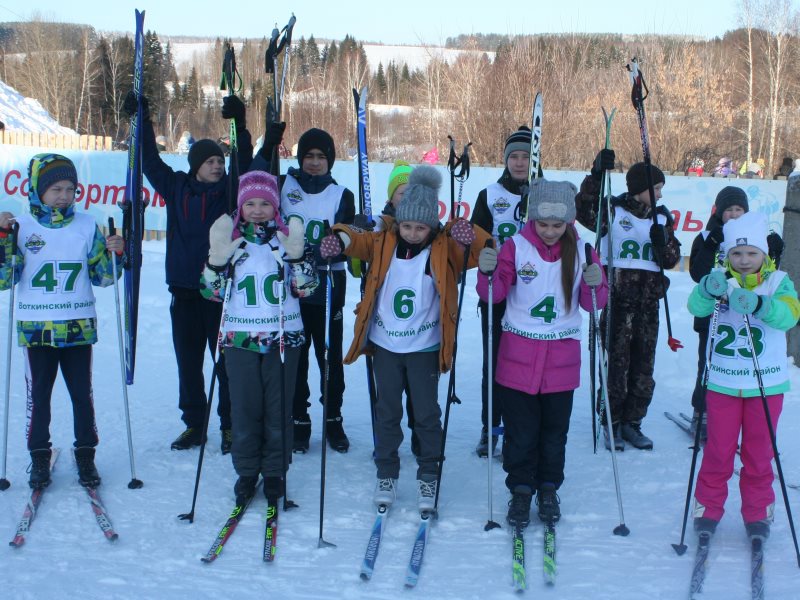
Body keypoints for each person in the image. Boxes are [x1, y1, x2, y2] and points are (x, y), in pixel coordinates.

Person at [318, 165, 489, 512]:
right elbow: (355, 238)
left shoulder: (444, 248)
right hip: (385, 346)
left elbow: (481, 250)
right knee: (388, 412)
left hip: (424, 348)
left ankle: (428, 476)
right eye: (407, 225)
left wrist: (466, 230)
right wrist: (340, 239)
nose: (413, 233)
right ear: (398, 221)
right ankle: (387, 473)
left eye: (420, 226)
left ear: (432, 226)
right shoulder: (383, 242)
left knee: (426, 414)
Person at [124, 90, 254, 453]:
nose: (217, 165)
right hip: (183, 290)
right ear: (196, 164)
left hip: (220, 293)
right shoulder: (176, 186)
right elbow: (148, 160)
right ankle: (194, 424)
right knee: (188, 362)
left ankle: (230, 426)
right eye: (210, 160)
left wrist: (239, 127)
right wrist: (143, 118)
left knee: (225, 364)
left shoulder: (230, 192)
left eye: (219, 160)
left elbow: (244, 161)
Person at [476, 179, 608, 526]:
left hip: (561, 362)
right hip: (517, 358)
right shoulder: (515, 247)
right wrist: (487, 271)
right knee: (520, 433)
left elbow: (591, 305)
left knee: (554, 433)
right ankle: (520, 490)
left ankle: (548, 487)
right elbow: (495, 294)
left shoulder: (583, 251)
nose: (550, 231)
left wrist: (597, 282)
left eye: (557, 224)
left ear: (569, 222)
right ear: (532, 219)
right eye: (543, 223)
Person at [0, 153, 124, 488]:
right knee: (38, 396)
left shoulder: (86, 225)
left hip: (77, 325)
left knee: (82, 394)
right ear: (38, 190)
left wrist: (116, 253)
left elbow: (103, 278)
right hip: (37, 328)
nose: (64, 196)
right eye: (55, 188)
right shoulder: (21, 226)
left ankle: (86, 454)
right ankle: (39, 456)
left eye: (70, 188)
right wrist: (1, 240)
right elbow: (3, 279)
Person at [199, 171, 317, 503]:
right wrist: (217, 259)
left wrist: (297, 257)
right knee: (245, 410)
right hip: (240, 340)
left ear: (275, 206)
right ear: (240, 206)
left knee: (279, 410)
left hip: (283, 339)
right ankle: (247, 472)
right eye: (250, 203)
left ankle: (276, 472)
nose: (257, 210)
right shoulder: (232, 242)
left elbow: (307, 289)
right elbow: (210, 293)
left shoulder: (287, 239)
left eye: (265, 203)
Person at [689, 210, 800, 543]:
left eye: (752, 253)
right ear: (727, 255)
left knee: (759, 453)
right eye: (737, 253)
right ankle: (707, 508)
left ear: (764, 254)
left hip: (765, 385)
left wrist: (761, 305)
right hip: (723, 382)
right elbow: (696, 308)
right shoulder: (720, 279)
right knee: (718, 452)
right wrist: (707, 290)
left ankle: (758, 511)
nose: (744, 260)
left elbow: (789, 316)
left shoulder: (778, 281)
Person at [255, 124, 356, 454]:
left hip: (327, 285)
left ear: (330, 161)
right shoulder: (285, 184)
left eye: (321, 156)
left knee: (329, 359)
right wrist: (269, 144)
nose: (314, 162)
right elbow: (253, 184)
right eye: (308, 155)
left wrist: (332, 247)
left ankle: (333, 420)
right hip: (290, 287)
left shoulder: (341, 194)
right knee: (294, 360)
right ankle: (299, 420)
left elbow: (347, 238)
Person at [575, 156, 681, 451]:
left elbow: (671, 260)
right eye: (656, 188)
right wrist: (596, 174)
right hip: (618, 301)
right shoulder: (612, 209)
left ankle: (633, 422)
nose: (660, 194)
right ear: (639, 188)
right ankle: (611, 420)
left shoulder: (661, 217)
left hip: (648, 304)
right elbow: (584, 209)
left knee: (643, 366)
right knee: (617, 366)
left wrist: (664, 243)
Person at [688, 187, 784, 439]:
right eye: (728, 210)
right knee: (708, 363)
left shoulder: (755, 236)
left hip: (748, 314)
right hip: (713, 312)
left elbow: (768, 273)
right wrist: (710, 246)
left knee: (742, 360)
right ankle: (702, 412)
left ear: (745, 211)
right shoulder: (708, 235)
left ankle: (746, 413)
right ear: (719, 212)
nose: (733, 214)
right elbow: (697, 274)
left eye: (738, 209)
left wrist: (776, 252)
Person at [469, 126, 531, 457]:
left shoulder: (543, 191)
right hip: (495, 289)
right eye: (514, 157)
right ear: (506, 160)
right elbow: (476, 241)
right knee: (493, 361)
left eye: (525, 157)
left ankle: (519, 427)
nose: (519, 163)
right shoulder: (490, 195)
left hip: (533, 292)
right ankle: (490, 427)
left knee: (521, 363)